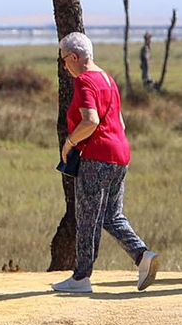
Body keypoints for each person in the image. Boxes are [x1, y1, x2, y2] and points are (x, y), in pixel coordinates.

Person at [51, 32, 160, 294]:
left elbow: (90, 121)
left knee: (87, 217)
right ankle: (142, 255)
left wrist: (69, 143)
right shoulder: (108, 79)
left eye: (64, 60)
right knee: (111, 215)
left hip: (96, 156)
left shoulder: (85, 81)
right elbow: (119, 122)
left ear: (74, 57)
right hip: (119, 153)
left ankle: (81, 277)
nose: (64, 66)